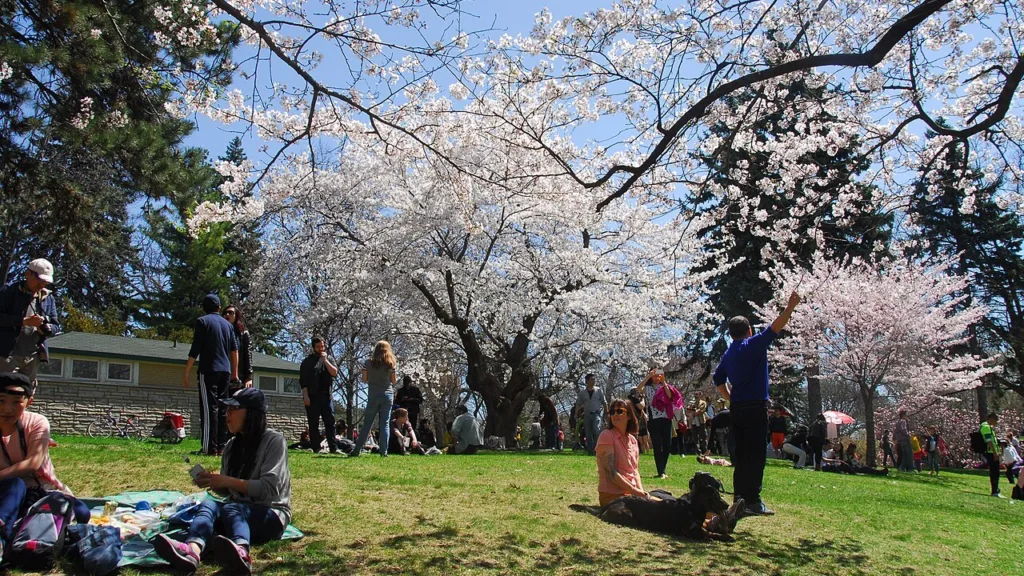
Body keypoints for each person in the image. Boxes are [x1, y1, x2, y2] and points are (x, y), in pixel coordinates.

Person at [152, 388, 291, 575]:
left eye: (234, 409)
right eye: (227, 409)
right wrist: (214, 482)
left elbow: (268, 489)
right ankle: (192, 551)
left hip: (270, 515)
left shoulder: (274, 441)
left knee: (232, 508)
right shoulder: (232, 446)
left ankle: (242, 552)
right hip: (235, 512)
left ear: (252, 413)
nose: (228, 414)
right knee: (209, 504)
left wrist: (226, 480)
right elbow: (230, 492)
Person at [713, 291, 800, 516]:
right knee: (757, 455)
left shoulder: (729, 354)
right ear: (749, 329)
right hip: (755, 408)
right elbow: (776, 326)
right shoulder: (753, 344)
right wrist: (790, 306)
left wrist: (730, 397)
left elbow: (718, 380)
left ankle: (739, 499)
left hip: (737, 409)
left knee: (741, 456)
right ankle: (753, 500)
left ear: (731, 334)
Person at [0, 372, 90, 555]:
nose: (7, 409)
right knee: (15, 486)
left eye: (16, 402)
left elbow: (33, 463)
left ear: (28, 402)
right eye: (1, 401)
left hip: (41, 489)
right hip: (7, 489)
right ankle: (3, 541)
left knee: (82, 513)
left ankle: (19, 528)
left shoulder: (36, 422)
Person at [184, 294, 239, 456]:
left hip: (208, 370)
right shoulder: (228, 325)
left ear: (203, 308)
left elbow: (196, 348)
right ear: (219, 308)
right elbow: (234, 350)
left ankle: (209, 448)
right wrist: (234, 373)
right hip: (225, 371)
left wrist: (186, 371)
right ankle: (221, 447)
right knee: (222, 409)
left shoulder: (202, 322)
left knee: (209, 409)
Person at [0, 259, 60, 384]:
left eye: (46, 282)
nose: (42, 284)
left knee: (25, 395)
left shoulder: (48, 297)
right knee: (5, 393)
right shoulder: (9, 291)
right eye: (40, 280)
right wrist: (23, 321)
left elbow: (56, 326)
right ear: (28, 274)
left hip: (33, 356)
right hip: (8, 355)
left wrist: (47, 328)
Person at [595, 399, 647, 506]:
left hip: (632, 493)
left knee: (664, 499)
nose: (614, 415)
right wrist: (634, 491)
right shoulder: (606, 436)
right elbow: (609, 471)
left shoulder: (632, 440)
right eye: (612, 412)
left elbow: (635, 471)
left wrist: (641, 493)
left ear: (629, 416)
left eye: (619, 411)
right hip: (613, 496)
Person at [352, 341, 397, 457]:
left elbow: (364, 379)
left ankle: (356, 450)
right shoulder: (391, 364)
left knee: (367, 424)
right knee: (385, 424)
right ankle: (384, 452)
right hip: (387, 395)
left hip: (373, 395)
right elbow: (393, 381)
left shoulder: (368, 363)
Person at [299, 337, 340, 455]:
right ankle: (316, 447)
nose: (321, 349)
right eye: (318, 347)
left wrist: (326, 361)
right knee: (313, 422)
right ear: (313, 347)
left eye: (322, 346)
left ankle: (333, 447)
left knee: (330, 422)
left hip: (327, 395)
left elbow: (334, 373)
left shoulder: (330, 359)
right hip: (312, 396)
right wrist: (305, 396)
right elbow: (303, 381)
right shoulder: (307, 362)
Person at [638, 369, 681, 479]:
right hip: (653, 419)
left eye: (659, 375)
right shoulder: (647, 388)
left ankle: (663, 469)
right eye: (655, 375)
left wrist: (664, 382)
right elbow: (638, 389)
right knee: (657, 445)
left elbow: (670, 396)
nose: (657, 378)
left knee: (667, 444)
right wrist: (648, 377)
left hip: (666, 418)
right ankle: (660, 471)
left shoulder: (665, 386)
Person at [222, 305, 254, 389]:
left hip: (238, 378)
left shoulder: (243, 334)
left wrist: (249, 378)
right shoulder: (220, 333)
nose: (227, 315)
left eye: (231, 313)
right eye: (225, 313)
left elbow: (248, 356)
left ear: (236, 316)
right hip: (222, 375)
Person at [575, 374, 608, 455]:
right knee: (588, 433)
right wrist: (576, 413)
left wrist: (607, 412)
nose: (593, 381)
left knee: (596, 430)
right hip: (587, 414)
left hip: (596, 413)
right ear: (587, 381)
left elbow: (604, 402)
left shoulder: (599, 390)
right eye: (591, 379)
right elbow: (578, 404)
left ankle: (598, 448)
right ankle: (590, 450)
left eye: (594, 379)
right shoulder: (583, 393)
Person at [980, 413, 1002, 497]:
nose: (996, 422)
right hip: (990, 453)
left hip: (993, 452)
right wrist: (995, 453)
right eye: (996, 420)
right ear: (991, 418)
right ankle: (994, 491)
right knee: (994, 471)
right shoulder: (986, 427)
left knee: (996, 471)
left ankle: (996, 489)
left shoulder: (989, 427)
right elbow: (989, 441)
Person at [627, 385, 650, 453]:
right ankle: (641, 452)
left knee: (645, 440)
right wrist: (643, 399)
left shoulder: (637, 398)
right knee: (640, 439)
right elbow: (641, 406)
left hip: (641, 420)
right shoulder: (632, 398)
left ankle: (647, 452)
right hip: (635, 420)